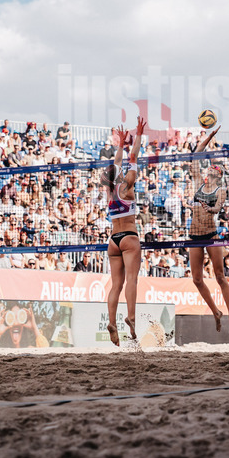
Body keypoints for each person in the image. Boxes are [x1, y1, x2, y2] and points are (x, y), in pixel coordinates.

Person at [186, 125, 229, 334]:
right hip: (194, 235)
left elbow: (218, 207)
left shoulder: (220, 189)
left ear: (218, 175)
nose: (210, 171)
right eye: (210, 170)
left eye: (214, 170)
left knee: (220, 276)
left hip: (211, 235)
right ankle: (216, 312)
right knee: (197, 279)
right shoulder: (199, 181)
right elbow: (196, 154)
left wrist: (210, 207)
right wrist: (208, 137)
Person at [100, 116, 145, 346]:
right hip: (129, 237)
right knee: (132, 281)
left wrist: (120, 143)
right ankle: (132, 318)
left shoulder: (110, 190)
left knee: (115, 285)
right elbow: (133, 157)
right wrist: (137, 135)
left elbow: (118, 161)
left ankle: (112, 321)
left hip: (113, 241)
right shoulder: (127, 186)